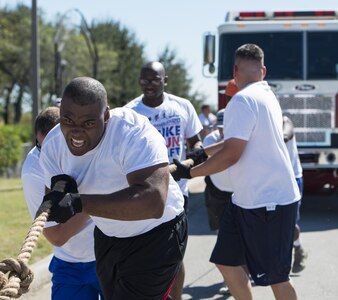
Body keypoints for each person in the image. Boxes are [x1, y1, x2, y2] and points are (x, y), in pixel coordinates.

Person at [37, 77, 187, 300]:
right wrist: (58, 197)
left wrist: (78, 202)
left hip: (158, 233)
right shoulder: (53, 146)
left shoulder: (132, 132)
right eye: (67, 120)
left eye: (88, 123)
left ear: (106, 116)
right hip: (108, 236)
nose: (76, 132)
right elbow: (57, 198)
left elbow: (153, 201)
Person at [173, 43, 300, 300]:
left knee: (277, 277)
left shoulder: (241, 101)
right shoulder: (266, 94)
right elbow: (237, 140)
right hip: (245, 200)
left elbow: (232, 154)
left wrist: (190, 173)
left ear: (234, 71)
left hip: (269, 201)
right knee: (226, 261)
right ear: (263, 70)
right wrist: (201, 154)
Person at [124, 61, 203, 300]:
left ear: (165, 81)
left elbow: (195, 142)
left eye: (155, 79)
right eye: (144, 79)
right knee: (147, 253)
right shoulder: (130, 112)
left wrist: (194, 156)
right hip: (144, 194)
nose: (149, 84)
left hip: (177, 193)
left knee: (174, 255)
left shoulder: (182, 106)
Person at [21, 107, 103, 300]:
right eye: (41, 146)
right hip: (71, 263)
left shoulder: (96, 148)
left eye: (53, 145)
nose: (46, 154)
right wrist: (92, 201)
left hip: (113, 253)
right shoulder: (33, 170)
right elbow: (56, 236)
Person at [283, 116, 308, 274]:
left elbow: (286, 134)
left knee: (289, 223)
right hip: (269, 179)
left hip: (292, 178)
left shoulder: (285, 121)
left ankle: (298, 249)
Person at [202, 109, 232, 232]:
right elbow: (213, 157)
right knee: (221, 229)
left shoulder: (242, 139)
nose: (223, 131)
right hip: (217, 190)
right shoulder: (210, 139)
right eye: (220, 128)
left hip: (239, 190)